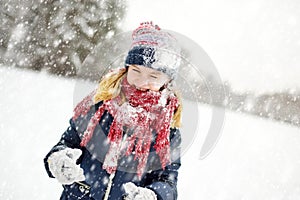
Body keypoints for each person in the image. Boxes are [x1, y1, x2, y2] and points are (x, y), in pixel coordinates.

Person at [44, 21, 183, 200]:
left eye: (154, 75)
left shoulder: (168, 131)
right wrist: (58, 159)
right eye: (136, 71)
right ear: (126, 69)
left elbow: (167, 181)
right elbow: (66, 144)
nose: (141, 81)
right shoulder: (99, 108)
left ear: (167, 82)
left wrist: (154, 195)